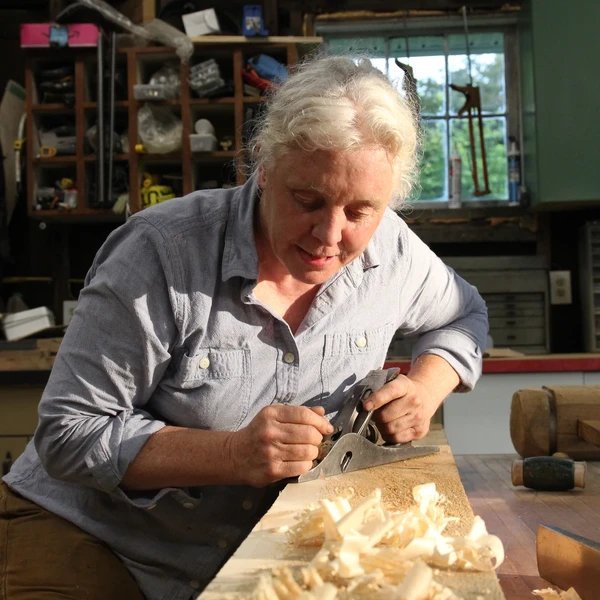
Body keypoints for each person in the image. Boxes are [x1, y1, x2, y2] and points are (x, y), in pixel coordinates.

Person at [0, 55, 487, 600]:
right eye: (309, 200)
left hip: (256, 554)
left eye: (359, 213)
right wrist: (230, 455)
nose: (330, 234)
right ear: (264, 165)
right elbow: (69, 433)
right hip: (96, 534)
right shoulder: (162, 254)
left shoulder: (393, 251)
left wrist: (427, 386)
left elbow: (464, 315)